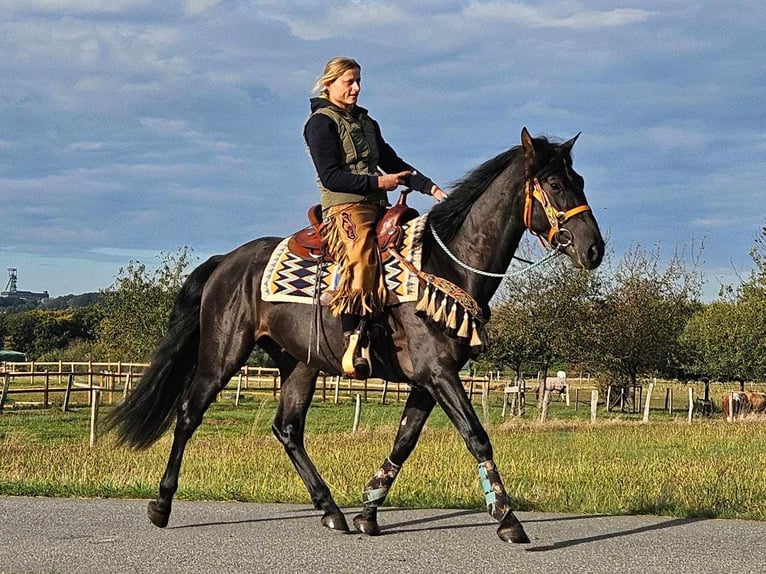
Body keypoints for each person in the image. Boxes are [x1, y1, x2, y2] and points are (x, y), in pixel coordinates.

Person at [304, 57, 446, 378]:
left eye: (358, 82)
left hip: (378, 205)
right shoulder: (320, 123)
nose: (355, 88)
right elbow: (330, 177)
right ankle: (352, 340)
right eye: (348, 82)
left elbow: (392, 161)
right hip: (345, 207)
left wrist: (431, 188)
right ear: (329, 83)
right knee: (361, 258)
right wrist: (378, 182)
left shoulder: (367, 123)